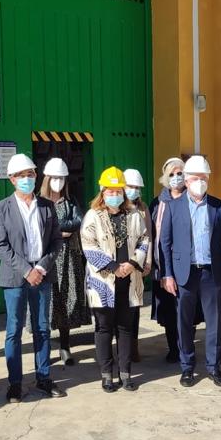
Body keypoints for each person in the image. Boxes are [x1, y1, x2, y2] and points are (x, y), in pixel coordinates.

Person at [0, 153, 66, 402]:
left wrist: (42, 268)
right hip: (15, 277)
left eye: (30, 174)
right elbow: (1, 246)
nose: (27, 179)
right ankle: (15, 383)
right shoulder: (1, 208)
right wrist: (27, 270)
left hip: (42, 275)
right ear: (12, 179)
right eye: (21, 175)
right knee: (13, 330)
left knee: (42, 328)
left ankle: (44, 378)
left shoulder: (47, 206)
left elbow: (57, 241)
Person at [160, 155, 221, 388]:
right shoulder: (173, 206)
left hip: (212, 274)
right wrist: (167, 275)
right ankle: (187, 368)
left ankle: (214, 367)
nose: (199, 182)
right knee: (184, 323)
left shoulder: (218, 207)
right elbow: (165, 243)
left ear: (208, 179)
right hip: (184, 274)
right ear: (187, 180)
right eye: (194, 178)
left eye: (203, 178)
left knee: (214, 323)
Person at [80, 167, 150, 392]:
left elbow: (144, 239)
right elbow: (88, 245)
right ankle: (107, 374)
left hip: (129, 280)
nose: (114, 195)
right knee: (103, 329)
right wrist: (112, 266)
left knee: (125, 328)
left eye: (118, 190)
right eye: (110, 191)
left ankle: (126, 373)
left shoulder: (134, 215)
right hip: (103, 282)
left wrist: (132, 263)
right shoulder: (93, 216)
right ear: (102, 192)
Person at [40, 157, 90, 366]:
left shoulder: (70, 202)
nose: (58, 182)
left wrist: (57, 228)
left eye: (62, 178)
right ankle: (42, 350)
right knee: (45, 306)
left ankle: (65, 346)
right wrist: (62, 229)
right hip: (46, 260)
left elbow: (80, 221)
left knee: (65, 302)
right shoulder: (39, 203)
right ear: (47, 179)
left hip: (69, 260)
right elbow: (42, 228)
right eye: (54, 178)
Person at [149, 157, 186, 362]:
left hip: (188, 265)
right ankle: (174, 348)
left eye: (180, 173)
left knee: (187, 310)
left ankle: (186, 348)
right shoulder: (158, 202)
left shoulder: (192, 198)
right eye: (171, 174)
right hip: (163, 265)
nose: (176, 177)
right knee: (169, 311)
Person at [123, 168, 152, 362]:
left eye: (136, 187)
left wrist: (147, 261)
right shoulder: (116, 207)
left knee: (134, 309)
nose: (133, 190)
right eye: (130, 186)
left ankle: (133, 347)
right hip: (119, 266)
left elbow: (147, 236)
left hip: (137, 265)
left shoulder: (143, 209)